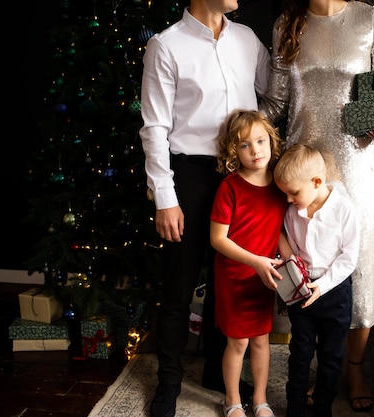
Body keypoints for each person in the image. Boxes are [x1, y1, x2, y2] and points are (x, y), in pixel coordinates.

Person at [259, 0, 374, 412]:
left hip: (359, 165)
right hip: (301, 167)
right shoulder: (286, 24)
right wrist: (238, 130)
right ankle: (317, 366)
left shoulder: (370, 20)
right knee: (307, 261)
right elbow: (275, 105)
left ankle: (354, 366)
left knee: (360, 267)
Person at [138, 1, 270, 416]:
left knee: (228, 281)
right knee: (178, 287)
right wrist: (165, 197)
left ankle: (217, 370)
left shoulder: (248, 40)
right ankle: (169, 384)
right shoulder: (166, 45)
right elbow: (155, 127)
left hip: (242, 177)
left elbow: (279, 91)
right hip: (190, 177)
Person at [273, 143, 360, 417]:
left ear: (317, 182)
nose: (288, 200)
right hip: (302, 292)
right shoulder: (292, 212)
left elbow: (348, 258)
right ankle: (295, 407)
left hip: (334, 292)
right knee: (300, 352)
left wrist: (321, 286)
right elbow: (287, 244)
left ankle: (323, 407)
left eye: (293, 193)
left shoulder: (344, 210)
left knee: (331, 356)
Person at [210, 109, 286, 417]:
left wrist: (291, 260)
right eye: (244, 145)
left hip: (264, 276)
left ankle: (259, 399)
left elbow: (279, 230)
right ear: (233, 151)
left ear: (271, 140)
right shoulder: (230, 187)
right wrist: (255, 261)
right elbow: (218, 239)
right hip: (234, 275)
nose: (255, 150)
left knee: (261, 340)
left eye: (260, 141)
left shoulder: (280, 183)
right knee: (238, 342)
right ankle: (232, 399)